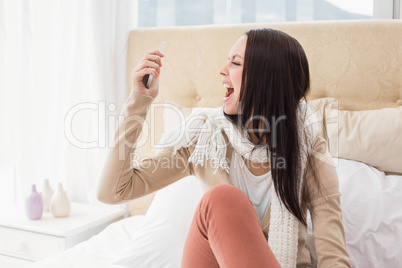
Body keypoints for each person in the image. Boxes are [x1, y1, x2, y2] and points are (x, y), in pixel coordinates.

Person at [97, 28, 351, 268]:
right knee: (223, 199)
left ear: (266, 80)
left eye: (235, 63)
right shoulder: (205, 139)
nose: (221, 70)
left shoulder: (310, 148)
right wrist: (139, 101)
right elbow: (113, 191)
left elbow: (334, 257)